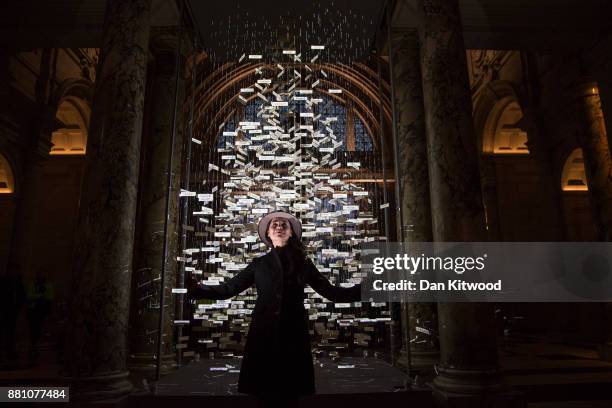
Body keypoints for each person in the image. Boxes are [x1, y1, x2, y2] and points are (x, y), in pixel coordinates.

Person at [188, 211, 361, 407]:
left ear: (291, 233)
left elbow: (331, 292)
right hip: (264, 332)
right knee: (264, 392)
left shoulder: (303, 263)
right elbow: (229, 288)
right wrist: (200, 289)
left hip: (293, 332)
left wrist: (365, 289)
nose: (279, 227)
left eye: (284, 225)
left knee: (291, 392)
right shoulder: (259, 264)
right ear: (268, 235)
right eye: (275, 225)